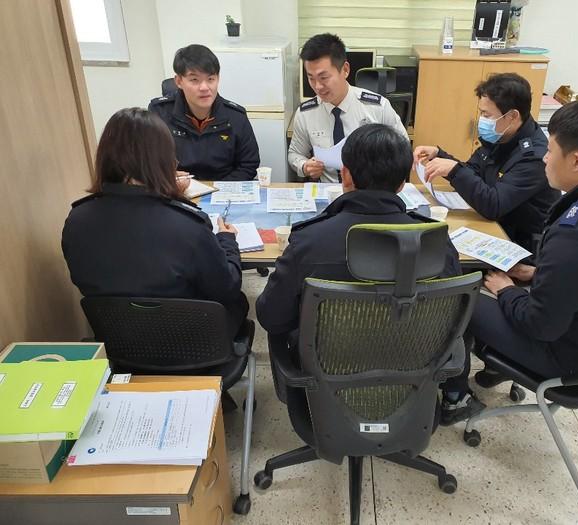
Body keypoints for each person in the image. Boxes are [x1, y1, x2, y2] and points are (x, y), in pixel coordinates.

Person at [441, 98, 578, 424]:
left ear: (576, 161)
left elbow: (540, 324)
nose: (544, 157)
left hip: (566, 358)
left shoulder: (577, 235)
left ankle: (456, 399)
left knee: (461, 300)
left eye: (551, 150)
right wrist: (539, 273)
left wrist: (506, 290)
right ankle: (491, 367)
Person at [258, 123, 460, 339]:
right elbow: (453, 311)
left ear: (345, 175)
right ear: (403, 183)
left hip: (327, 357)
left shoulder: (309, 241)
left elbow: (272, 317)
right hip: (415, 353)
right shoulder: (436, 239)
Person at [62, 107, 249, 335]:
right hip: (193, 342)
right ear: (164, 158)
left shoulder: (77, 220)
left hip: (119, 340)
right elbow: (226, 288)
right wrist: (227, 240)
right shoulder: (188, 225)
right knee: (238, 302)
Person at [414, 73, 559, 253]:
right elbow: (473, 172)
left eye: (486, 114)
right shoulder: (502, 135)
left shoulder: (534, 157)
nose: (481, 120)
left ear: (512, 116)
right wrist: (440, 156)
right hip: (495, 226)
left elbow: (494, 205)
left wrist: (454, 171)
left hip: (521, 244)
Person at [288, 33, 408, 183]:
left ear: (345, 69)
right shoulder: (306, 113)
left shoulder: (377, 107)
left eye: (324, 78)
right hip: (328, 190)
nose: (318, 86)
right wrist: (305, 166)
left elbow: (403, 150)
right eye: (311, 78)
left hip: (369, 189)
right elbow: (295, 154)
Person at [149, 44, 260, 182]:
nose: (204, 87)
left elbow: (248, 165)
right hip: (178, 189)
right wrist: (168, 179)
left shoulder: (236, 116)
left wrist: (216, 189)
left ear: (218, 79)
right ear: (179, 81)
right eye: (194, 80)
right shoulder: (159, 113)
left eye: (210, 79)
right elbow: (148, 160)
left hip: (223, 188)